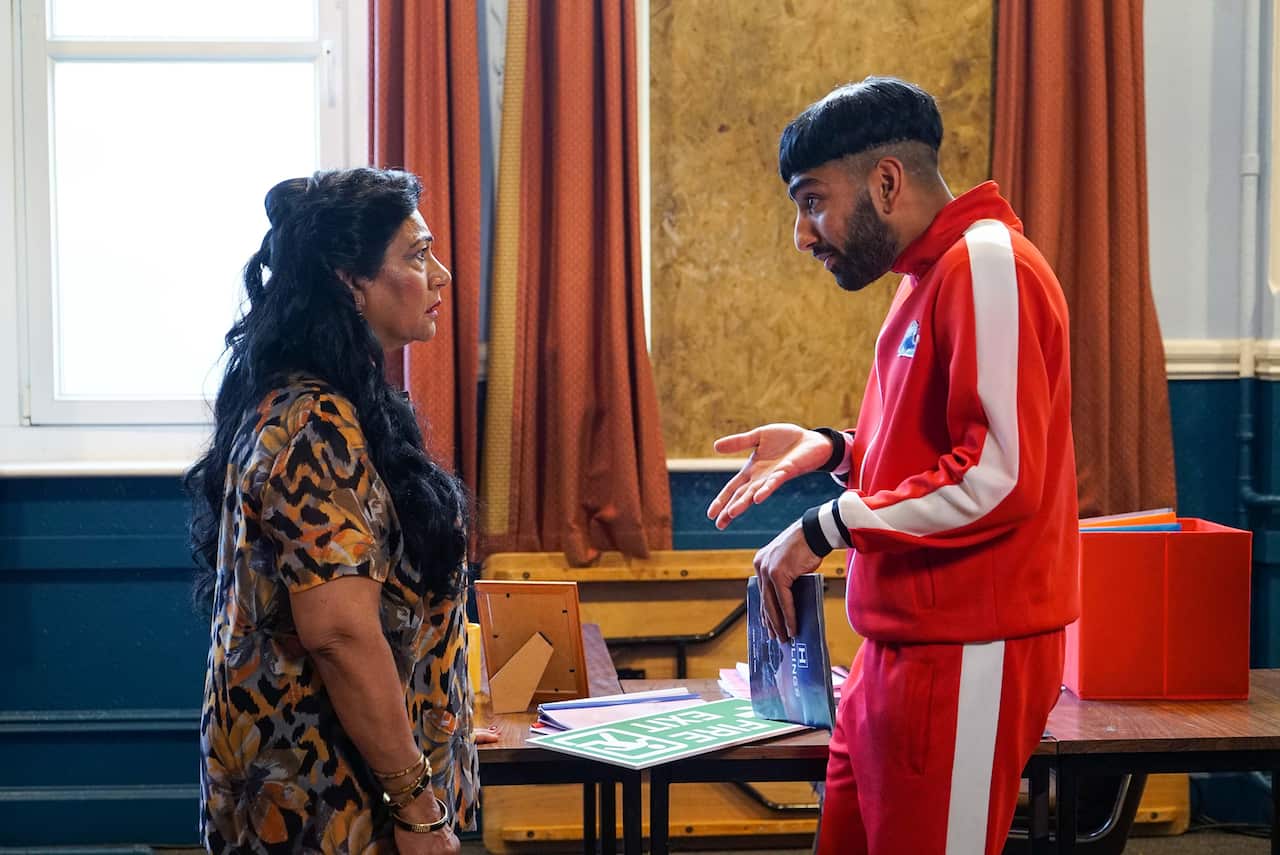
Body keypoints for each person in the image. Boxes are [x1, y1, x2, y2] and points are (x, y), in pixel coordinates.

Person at [708, 77, 1079, 854]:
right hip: (899, 652)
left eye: (812, 202)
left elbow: (998, 475)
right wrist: (836, 450)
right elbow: (939, 453)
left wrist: (824, 525)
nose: (803, 234)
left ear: (886, 181)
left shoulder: (985, 263)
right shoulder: (926, 276)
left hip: (965, 652)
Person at [186, 167, 497, 854]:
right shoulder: (311, 422)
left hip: (355, 785)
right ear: (348, 280)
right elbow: (340, 635)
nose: (441, 275)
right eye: (416, 257)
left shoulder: (341, 403)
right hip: (332, 803)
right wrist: (418, 809)